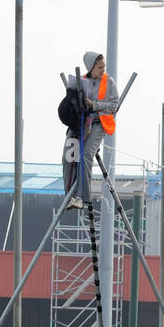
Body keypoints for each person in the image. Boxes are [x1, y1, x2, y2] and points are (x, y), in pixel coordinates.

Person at [61, 51, 119, 209]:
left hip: (98, 123)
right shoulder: (81, 81)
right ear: (91, 67)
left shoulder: (109, 82)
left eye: (104, 66)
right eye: (100, 67)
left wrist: (95, 105)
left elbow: (114, 105)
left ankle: (82, 197)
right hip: (80, 123)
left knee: (86, 155)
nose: (103, 70)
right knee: (69, 156)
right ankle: (69, 196)